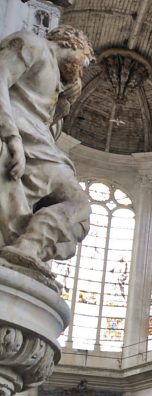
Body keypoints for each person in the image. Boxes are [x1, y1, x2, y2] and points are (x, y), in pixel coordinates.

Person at [0, 26, 94, 276]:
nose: (83, 68)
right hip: (22, 141)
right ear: (72, 42)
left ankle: (27, 248)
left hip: (40, 150)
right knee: (78, 204)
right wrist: (11, 138)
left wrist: (64, 102)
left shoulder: (57, 80)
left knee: (79, 222)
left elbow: (47, 127)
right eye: (85, 59)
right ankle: (26, 247)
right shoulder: (32, 44)